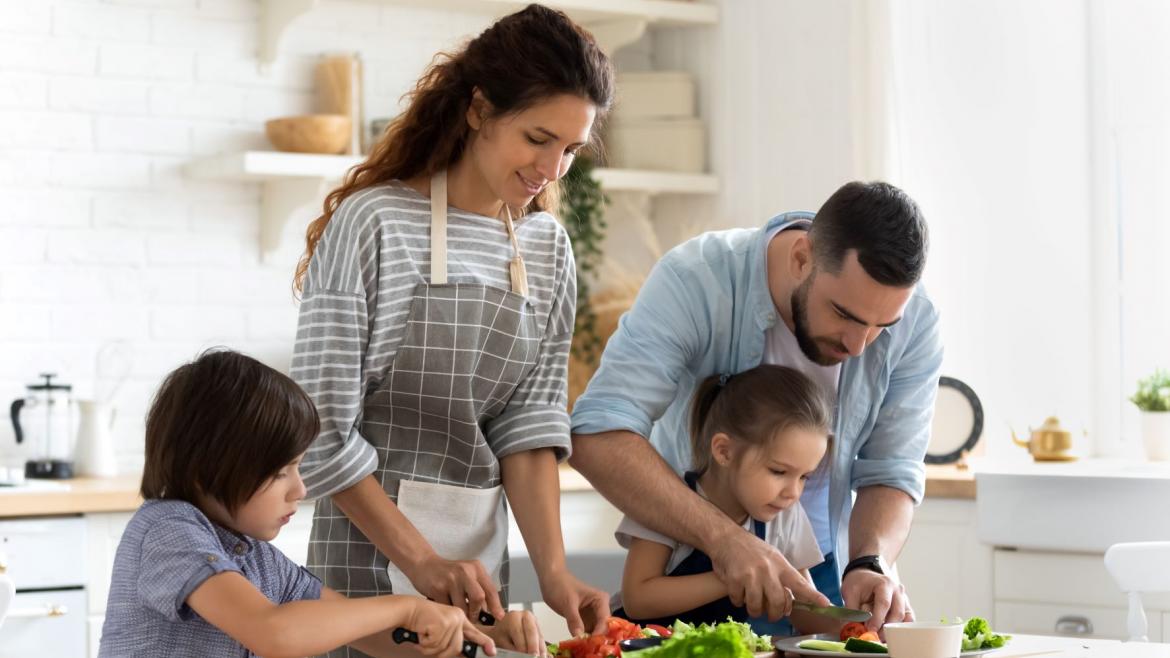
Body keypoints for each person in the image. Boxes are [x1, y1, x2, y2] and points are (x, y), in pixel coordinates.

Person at [290, 4, 615, 650]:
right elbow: (322, 430)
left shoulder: (547, 248)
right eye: (537, 138)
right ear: (478, 111)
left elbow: (528, 424)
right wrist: (421, 562)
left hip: (478, 579)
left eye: (571, 149)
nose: (552, 170)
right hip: (363, 572)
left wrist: (554, 574)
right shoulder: (374, 224)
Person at [571, 181, 942, 632]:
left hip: (820, 566)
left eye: (882, 326)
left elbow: (892, 469)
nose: (858, 345)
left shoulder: (918, 320)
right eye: (844, 314)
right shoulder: (697, 278)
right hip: (689, 539)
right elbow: (598, 433)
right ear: (802, 257)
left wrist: (872, 561)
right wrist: (727, 541)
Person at [99, 349, 541, 658]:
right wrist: (407, 606)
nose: (300, 489)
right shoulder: (168, 530)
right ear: (206, 469)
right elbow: (273, 633)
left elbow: (374, 635)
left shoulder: (261, 562)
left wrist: (482, 633)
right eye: (279, 474)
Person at [612, 366, 832, 635]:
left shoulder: (786, 515)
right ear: (724, 451)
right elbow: (638, 600)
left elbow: (805, 610)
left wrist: (861, 624)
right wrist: (732, 576)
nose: (793, 492)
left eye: (804, 477)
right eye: (779, 471)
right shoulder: (665, 502)